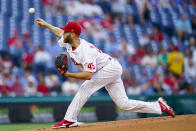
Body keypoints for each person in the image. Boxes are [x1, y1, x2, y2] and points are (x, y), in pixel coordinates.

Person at [35, 18, 175, 128]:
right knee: (123, 104)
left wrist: (68, 75)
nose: (62, 32)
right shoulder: (69, 41)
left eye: (66, 31)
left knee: (86, 87)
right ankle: (158, 106)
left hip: (109, 69)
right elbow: (58, 32)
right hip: (108, 68)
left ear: (72, 34)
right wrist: (46, 25)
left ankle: (69, 120)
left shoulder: (85, 51)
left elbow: (88, 76)